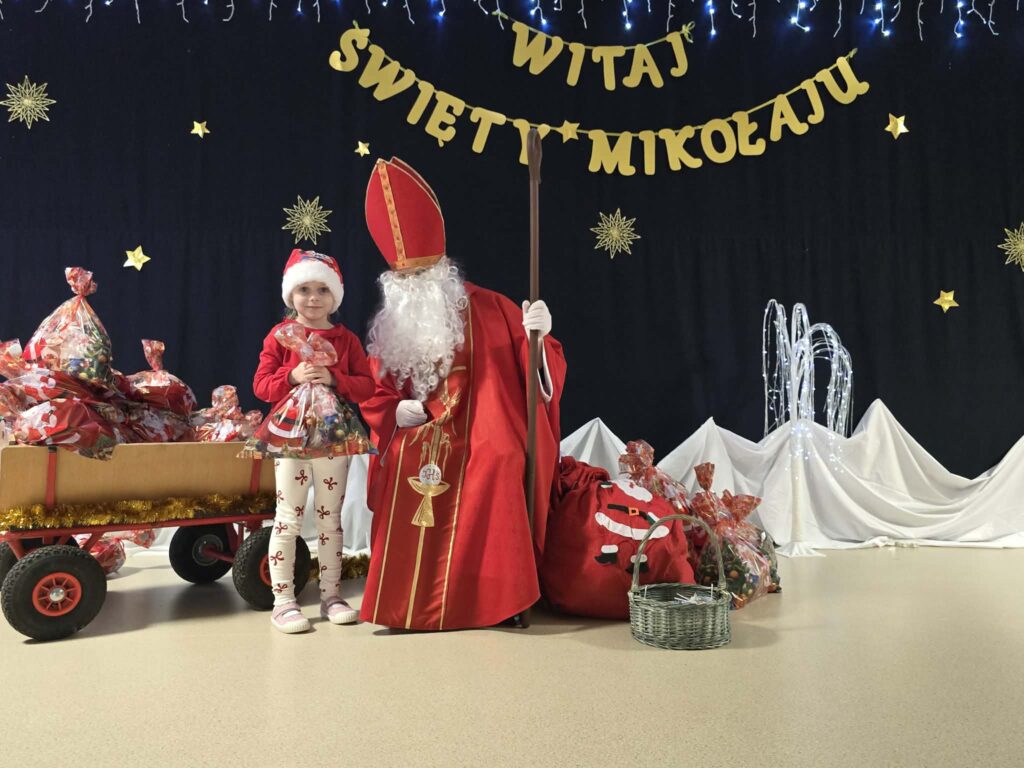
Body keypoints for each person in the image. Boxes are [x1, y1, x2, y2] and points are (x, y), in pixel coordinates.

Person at [359, 157, 566, 631]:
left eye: (423, 274)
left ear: (443, 267)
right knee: (403, 462)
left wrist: (539, 339)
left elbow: (537, 370)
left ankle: (502, 599)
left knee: (500, 458)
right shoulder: (392, 327)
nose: (415, 286)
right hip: (419, 426)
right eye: (406, 280)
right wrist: (394, 411)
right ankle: (402, 605)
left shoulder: (491, 307)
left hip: (483, 427)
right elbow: (376, 391)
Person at [253, 249, 375, 634]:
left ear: (335, 296)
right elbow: (261, 386)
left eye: (322, 289)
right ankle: (284, 602)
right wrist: (292, 377)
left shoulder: (346, 339)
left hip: (333, 441)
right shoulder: (279, 337)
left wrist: (336, 379)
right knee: (288, 519)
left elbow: (367, 386)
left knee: (329, 519)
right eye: (304, 289)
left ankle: (331, 595)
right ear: (291, 295)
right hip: (290, 441)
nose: (313, 298)